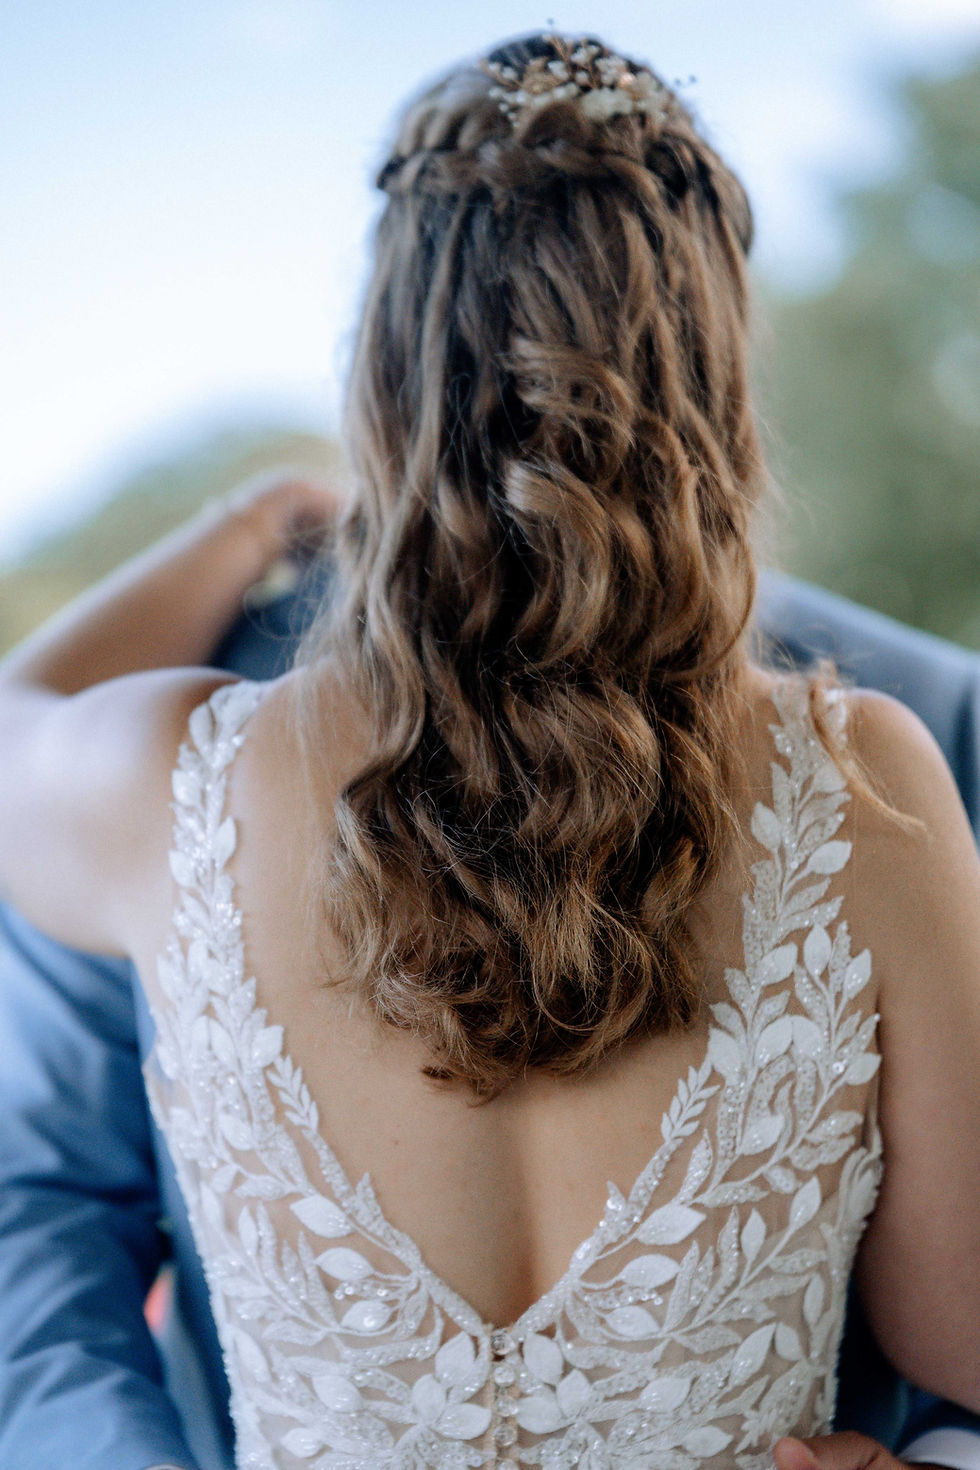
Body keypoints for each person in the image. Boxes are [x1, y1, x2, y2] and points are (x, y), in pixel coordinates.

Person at [1, 30, 979, 1469]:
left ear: (384, 377)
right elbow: (962, 1339)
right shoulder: (866, 789)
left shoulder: (168, 788)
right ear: (712, 383)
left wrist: (260, 516)